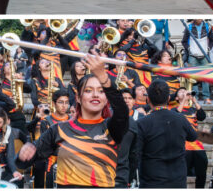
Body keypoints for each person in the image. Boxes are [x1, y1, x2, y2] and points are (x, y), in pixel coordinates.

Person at [17, 54, 129, 188]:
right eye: (88, 90)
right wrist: (23, 155)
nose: (95, 94)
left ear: (106, 99)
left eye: (101, 91)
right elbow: (23, 163)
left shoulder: (111, 128)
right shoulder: (58, 129)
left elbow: (122, 111)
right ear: (78, 98)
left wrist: (104, 79)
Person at [135, 79, 198, 188]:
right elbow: (193, 137)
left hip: (151, 182)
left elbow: (135, 153)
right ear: (168, 98)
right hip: (178, 181)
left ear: (148, 99)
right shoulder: (180, 119)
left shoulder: (142, 123)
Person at [174, 87, 208, 188]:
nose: (184, 93)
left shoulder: (193, 109)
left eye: (185, 91)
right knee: (181, 173)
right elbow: (176, 116)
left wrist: (194, 100)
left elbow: (202, 116)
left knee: (202, 171)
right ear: (176, 98)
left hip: (197, 145)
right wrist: (184, 100)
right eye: (181, 92)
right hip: (183, 145)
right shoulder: (173, 110)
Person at [181, 19, 213, 103]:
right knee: (193, 77)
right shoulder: (188, 27)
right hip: (193, 56)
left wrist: (208, 48)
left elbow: (212, 40)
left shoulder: (208, 27)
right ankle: (194, 97)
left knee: (205, 77)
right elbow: (184, 41)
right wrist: (189, 49)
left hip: (204, 56)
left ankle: (206, 97)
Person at [114, 89, 141, 188]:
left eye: (130, 98)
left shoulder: (141, 117)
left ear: (134, 101)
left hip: (130, 167)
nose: (126, 100)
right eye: (124, 98)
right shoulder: (110, 118)